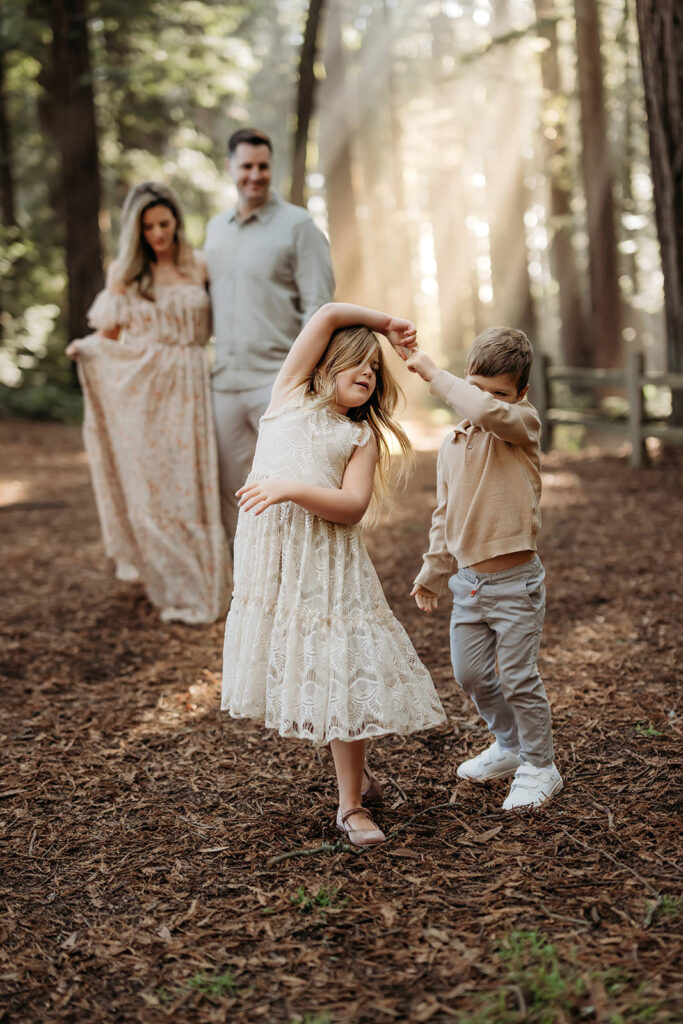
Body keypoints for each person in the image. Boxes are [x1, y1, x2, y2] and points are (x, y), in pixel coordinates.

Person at [221, 302, 446, 846]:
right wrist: (386, 324)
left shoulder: (358, 437)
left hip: (328, 564)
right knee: (312, 670)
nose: (370, 372)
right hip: (278, 564)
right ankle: (359, 774)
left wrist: (292, 489)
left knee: (340, 672)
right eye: (358, 362)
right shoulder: (288, 397)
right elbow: (325, 313)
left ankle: (349, 807)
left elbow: (351, 506)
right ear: (324, 366)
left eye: (376, 367)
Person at [407, 328, 563, 810]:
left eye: (499, 391)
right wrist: (433, 571)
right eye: (477, 387)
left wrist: (437, 375)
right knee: (470, 674)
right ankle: (511, 745)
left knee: (518, 677)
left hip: (516, 584)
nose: (485, 399)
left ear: (521, 395)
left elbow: (486, 412)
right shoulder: (453, 443)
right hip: (470, 585)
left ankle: (541, 765)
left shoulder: (522, 425)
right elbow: (445, 513)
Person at [67, 182, 230, 625]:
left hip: (195, 384)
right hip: (146, 389)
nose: (157, 233)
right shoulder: (125, 270)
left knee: (197, 486)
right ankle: (172, 584)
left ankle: (212, 582)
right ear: (136, 231)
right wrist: (86, 349)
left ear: (176, 220)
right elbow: (110, 334)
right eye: (148, 227)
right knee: (157, 483)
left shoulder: (200, 265)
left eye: (164, 223)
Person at [205, 127, 335, 545]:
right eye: (246, 166)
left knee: (287, 490)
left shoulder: (298, 226)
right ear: (230, 168)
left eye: (263, 166)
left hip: (277, 385)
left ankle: (287, 588)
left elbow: (319, 308)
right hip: (223, 385)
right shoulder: (214, 231)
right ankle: (244, 591)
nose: (255, 175)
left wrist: (303, 381)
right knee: (233, 493)